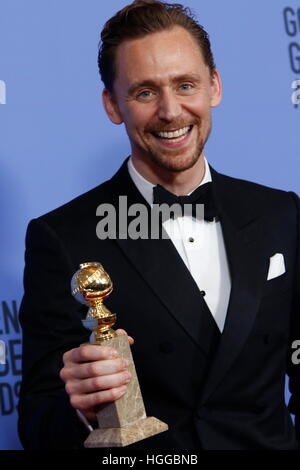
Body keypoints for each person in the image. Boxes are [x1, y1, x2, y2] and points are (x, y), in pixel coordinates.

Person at [18, 0, 300, 450]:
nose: (171, 111)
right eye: (145, 92)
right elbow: (37, 423)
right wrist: (84, 410)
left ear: (215, 86)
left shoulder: (280, 212)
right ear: (113, 105)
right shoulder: (63, 238)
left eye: (185, 85)